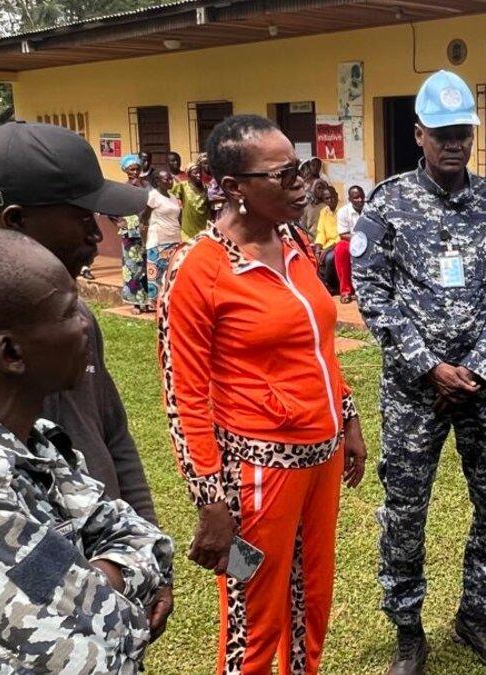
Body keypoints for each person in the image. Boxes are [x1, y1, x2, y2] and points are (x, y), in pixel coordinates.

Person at [158, 114, 367, 674]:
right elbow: (183, 396)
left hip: (322, 461)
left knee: (311, 598)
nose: (302, 184)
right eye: (283, 175)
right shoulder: (197, 269)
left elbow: (318, 345)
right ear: (233, 187)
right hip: (256, 475)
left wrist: (347, 419)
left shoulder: (295, 241)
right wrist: (211, 501)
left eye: (301, 168)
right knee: (253, 615)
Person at [0, 227, 174, 672]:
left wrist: (99, 580)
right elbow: (100, 650)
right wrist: (116, 585)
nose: (85, 324)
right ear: (11, 353)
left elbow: (141, 537)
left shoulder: (31, 437)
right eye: (69, 311)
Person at [352, 70, 486, 674]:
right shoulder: (387, 203)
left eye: (463, 133)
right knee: (405, 512)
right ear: (419, 135)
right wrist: (429, 366)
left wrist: (478, 369)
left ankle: (476, 616)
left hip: (485, 392)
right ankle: (408, 629)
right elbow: (372, 292)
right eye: (442, 133)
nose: (454, 143)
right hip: (414, 393)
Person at [144, 169, 184, 308]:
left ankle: (169, 300)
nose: (170, 181)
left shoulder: (173, 197)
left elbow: (178, 217)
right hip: (158, 240)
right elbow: (144, 217)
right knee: (156, 273)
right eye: (166, 179)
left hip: (174, 239)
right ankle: (154, 303)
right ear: (157, 181)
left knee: (171, 272)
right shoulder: (153, 196)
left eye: (171, 178)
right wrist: (144, 239)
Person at [118, 153, 151, 313]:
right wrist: (118, 222)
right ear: (126, 171)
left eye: (137, 169)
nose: (135, 172)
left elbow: (153, 201)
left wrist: (141, 187)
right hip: (129, 233)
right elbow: (111, 208)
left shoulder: (146, 185)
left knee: (146, 266)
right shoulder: (122, 188)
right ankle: (136, 303)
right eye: (131, 169)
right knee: (132, 268)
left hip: (146, 230)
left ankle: (148, 300)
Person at [331, 185, 364, 302]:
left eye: (362, 197)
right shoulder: (343, 212)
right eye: (356, 198)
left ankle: (366, 291)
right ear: (350, 199)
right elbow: (343, 234)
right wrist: (360, 240)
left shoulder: (370, 209)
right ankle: (346, 291)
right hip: (352, 241)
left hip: (370, 241)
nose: (360, 200)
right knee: (341, 248)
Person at [172, 155, 212, 240]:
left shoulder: (207, 188)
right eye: (195, 173)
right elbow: (170, 198)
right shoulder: (183, 186)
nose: (198, 175)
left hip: (204, 228)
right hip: (188, 230)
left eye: (200, 172)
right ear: (189, 175)